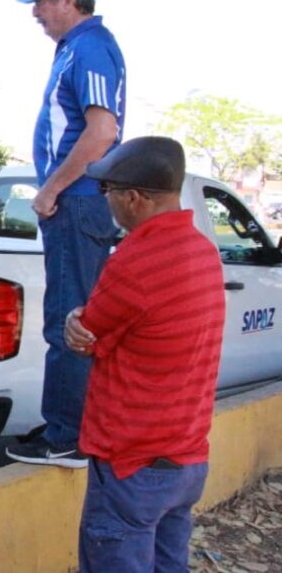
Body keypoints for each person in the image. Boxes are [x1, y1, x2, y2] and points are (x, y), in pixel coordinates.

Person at [63, 136, 224, 571]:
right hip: (186, 459)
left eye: (107, 191)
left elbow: (87, 338)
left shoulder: (135, 261)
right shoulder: (204, 252)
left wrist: (75, 320)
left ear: (132, 198)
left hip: (131, 464)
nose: (107, 201)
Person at [5, 0, 125, 469]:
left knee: (70, 321)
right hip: (74, 202)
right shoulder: (75, 49)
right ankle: (69, 428)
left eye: (43, 1)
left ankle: (68, 437)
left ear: (70, 0)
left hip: (77, 201)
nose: (36, 12)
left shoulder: (91, 47)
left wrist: (51, 189)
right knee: (71, 318)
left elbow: (102, 133)